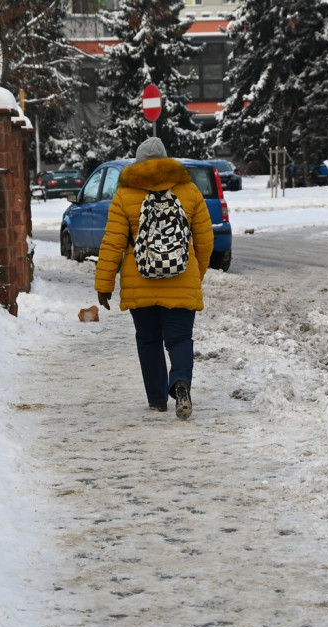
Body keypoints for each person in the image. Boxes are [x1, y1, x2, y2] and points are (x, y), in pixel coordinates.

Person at [94, 137, 213, 420]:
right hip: (182, 277)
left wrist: (104, 285)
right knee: (180, 338)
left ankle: (158, 399)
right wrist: (198, 272)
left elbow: (112, 243)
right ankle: (181, 382)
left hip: (140, 280)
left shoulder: (125, 195)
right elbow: (206, 241)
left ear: (137, 164)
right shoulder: (190, 190)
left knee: (148, 340)